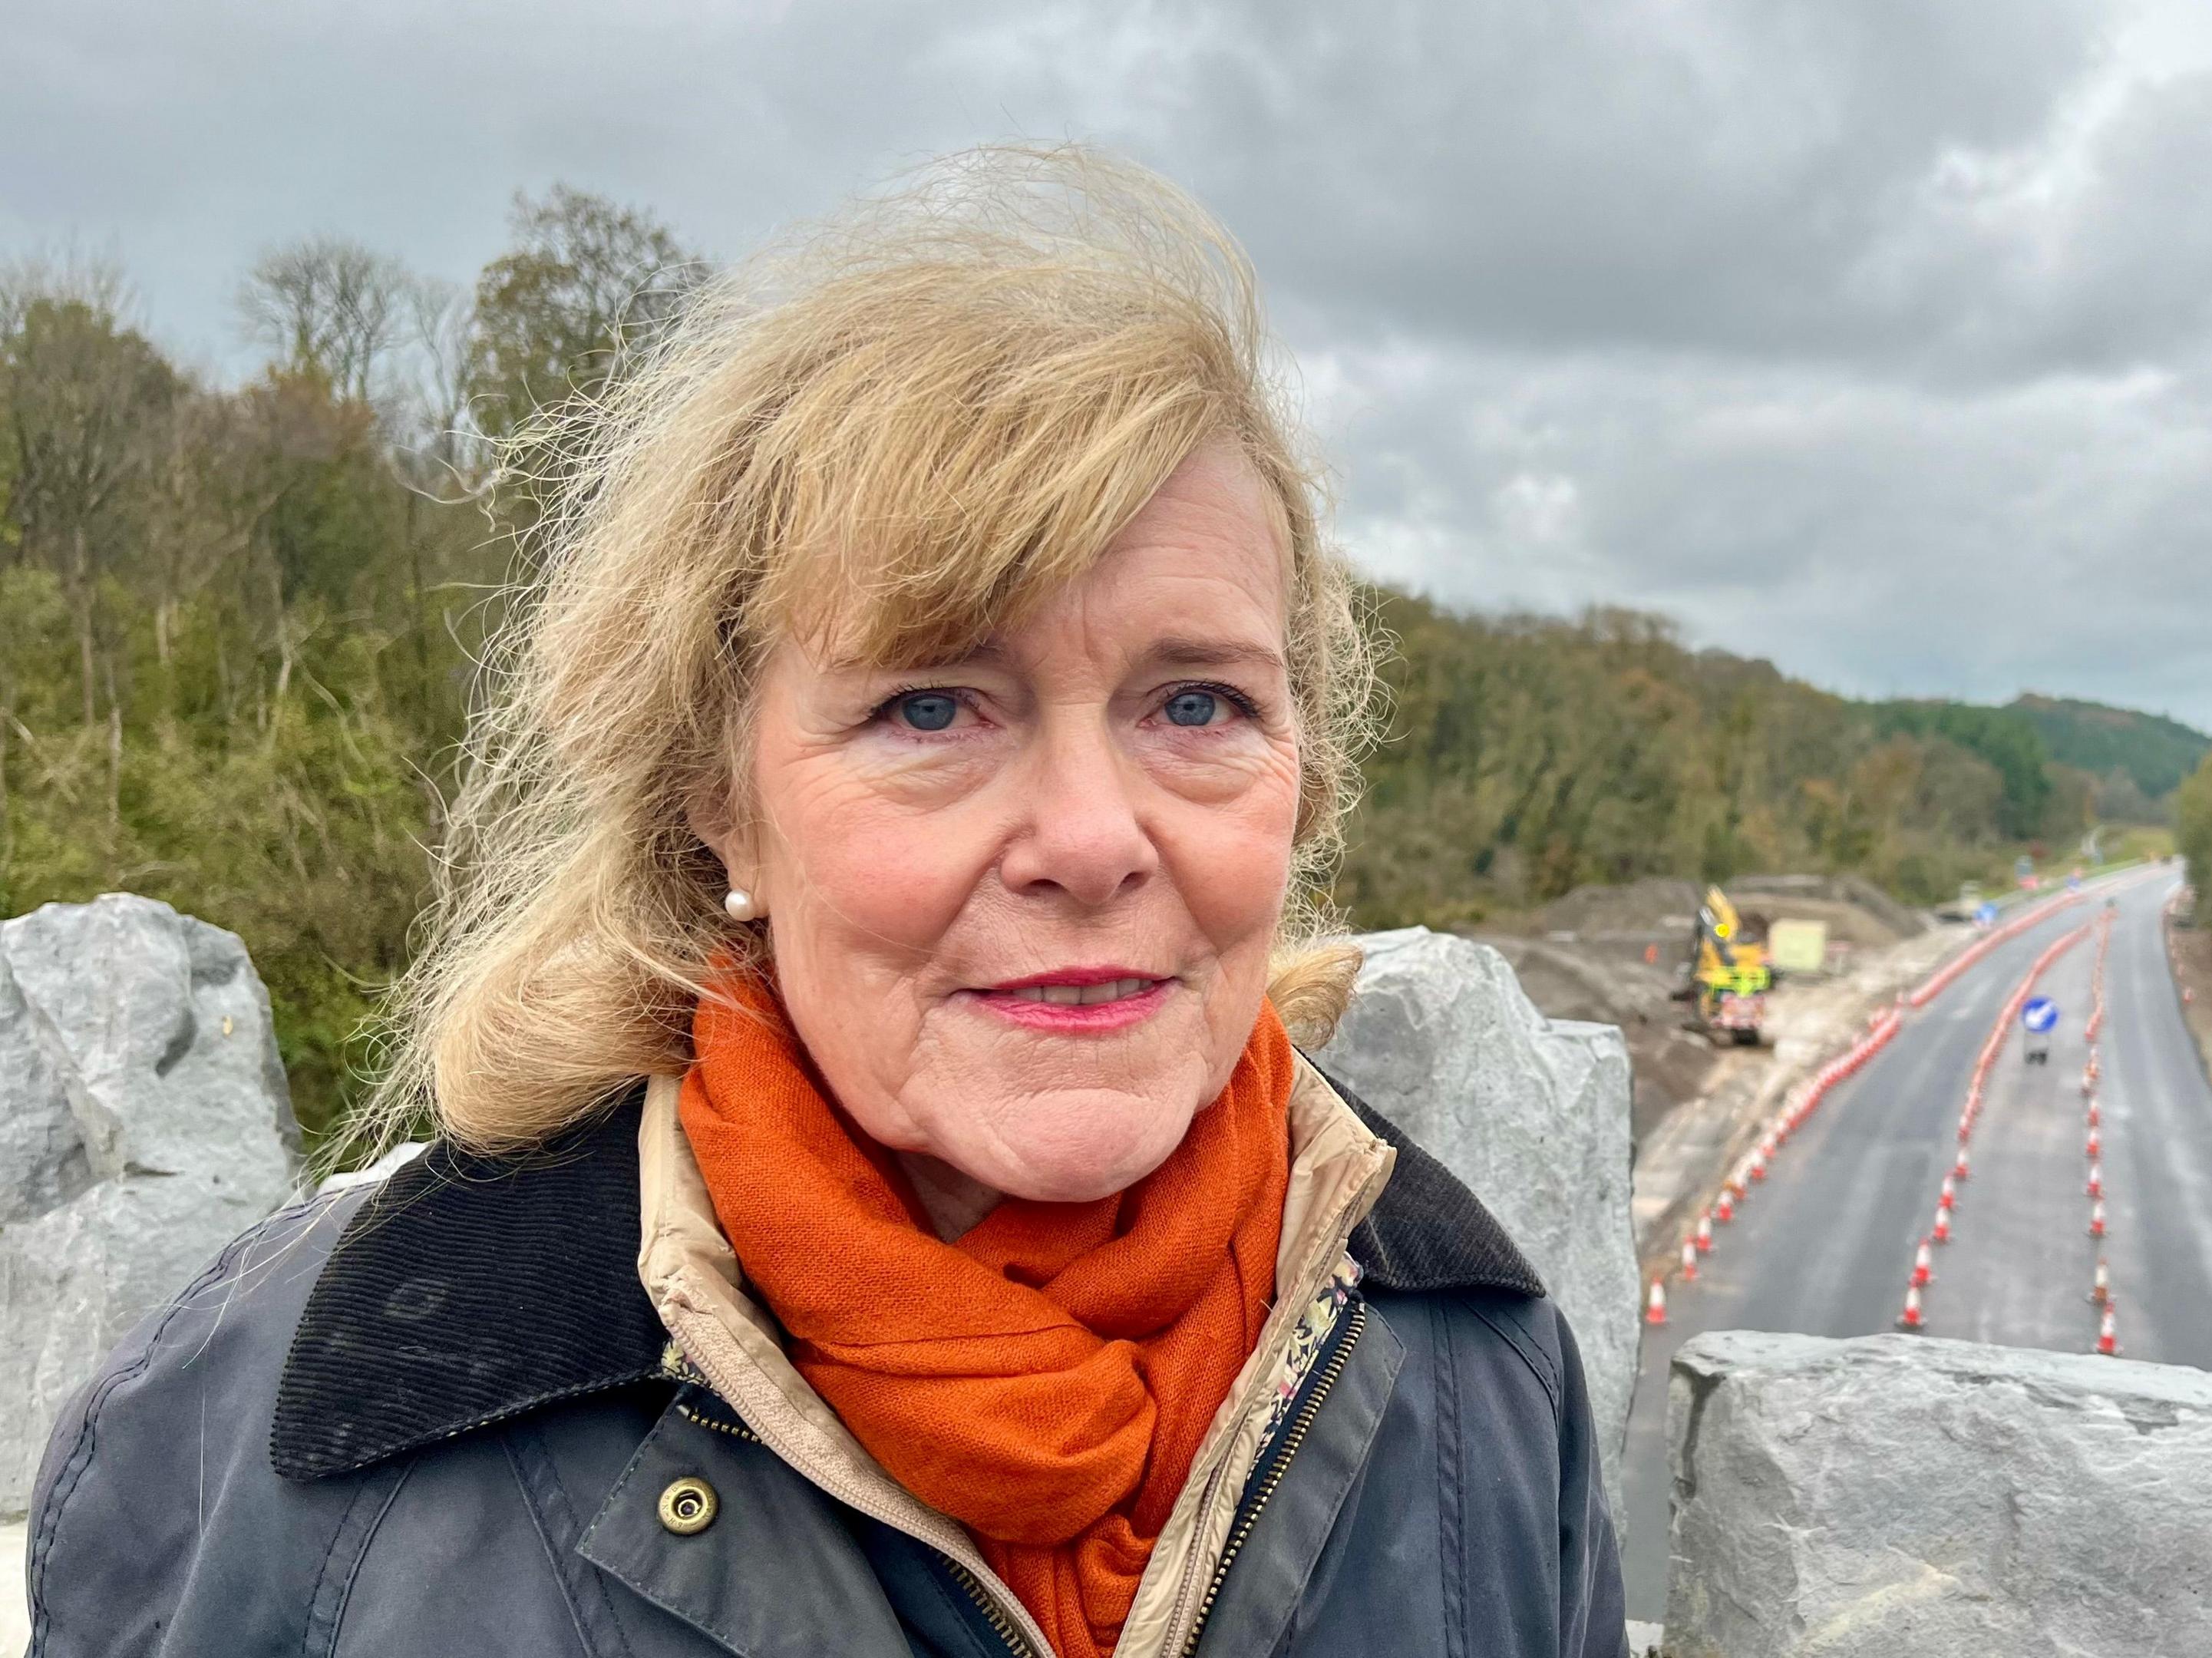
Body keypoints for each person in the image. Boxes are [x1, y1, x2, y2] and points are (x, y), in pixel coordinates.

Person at [25, 150, 1622, 1658]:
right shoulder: (322, 1422)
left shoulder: (1472, 1365)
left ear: (1302, 772)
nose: (1090, 838)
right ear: (718, 795)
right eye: (933, 708)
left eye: (1195, 705)